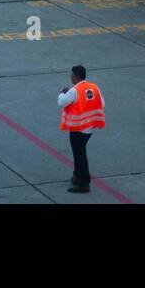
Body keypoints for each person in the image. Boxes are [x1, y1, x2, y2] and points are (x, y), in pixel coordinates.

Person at [58, 65, 105, 193]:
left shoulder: (74, 91)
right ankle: (77, 176)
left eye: (72, 75)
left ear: (77, 76)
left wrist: (62, 93)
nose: (70, 77)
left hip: (77, 129)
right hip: (88, 129)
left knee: (80, 156)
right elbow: (102, 103)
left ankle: (84, 183)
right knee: (79, 154)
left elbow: (62, 102)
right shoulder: (94, 87)